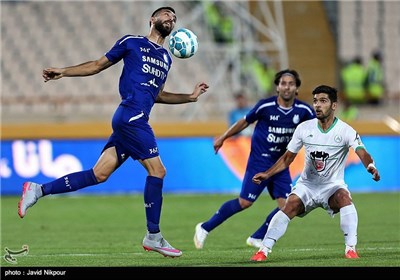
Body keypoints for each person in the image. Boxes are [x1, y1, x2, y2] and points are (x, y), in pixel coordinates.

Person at [18, 6, 209, 258]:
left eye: (174, 17)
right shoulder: (132, 42)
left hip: (133, 119)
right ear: (152, 19)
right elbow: (97, 65)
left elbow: (158, 95)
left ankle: (37, 189)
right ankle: (153, 236)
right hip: (131, 115)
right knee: (158, 171)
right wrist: (63, 71)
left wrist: (190, 97)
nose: (170, 18)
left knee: (99, 174)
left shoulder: (166, 59)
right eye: (165, 14)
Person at [250, 85, 380, 262]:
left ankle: (350, 248)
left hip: (332, 187)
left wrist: (370, 166)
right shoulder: (304, 128)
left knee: (344, 198)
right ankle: (263, 250)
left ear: (334, 105)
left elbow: (361, 152)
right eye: (315, 101)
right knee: (289, 206)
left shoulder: (345, 130)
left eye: (323, 101)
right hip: (307, 186)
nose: (317, 105)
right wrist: (267, 173)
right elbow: (288, 158)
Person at [194, 69, 316, 249]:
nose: (287, 87)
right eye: (283, 83)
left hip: (281, 163)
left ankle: (257, 237)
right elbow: (244, 121)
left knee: (288, 207)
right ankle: (205, 227)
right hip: (260, 161)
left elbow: (317, 128)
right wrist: (223, 137)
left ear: (297, 88)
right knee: (245, 202)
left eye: (291, 84)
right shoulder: (265, 106)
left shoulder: (304, 111)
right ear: (277, 87)